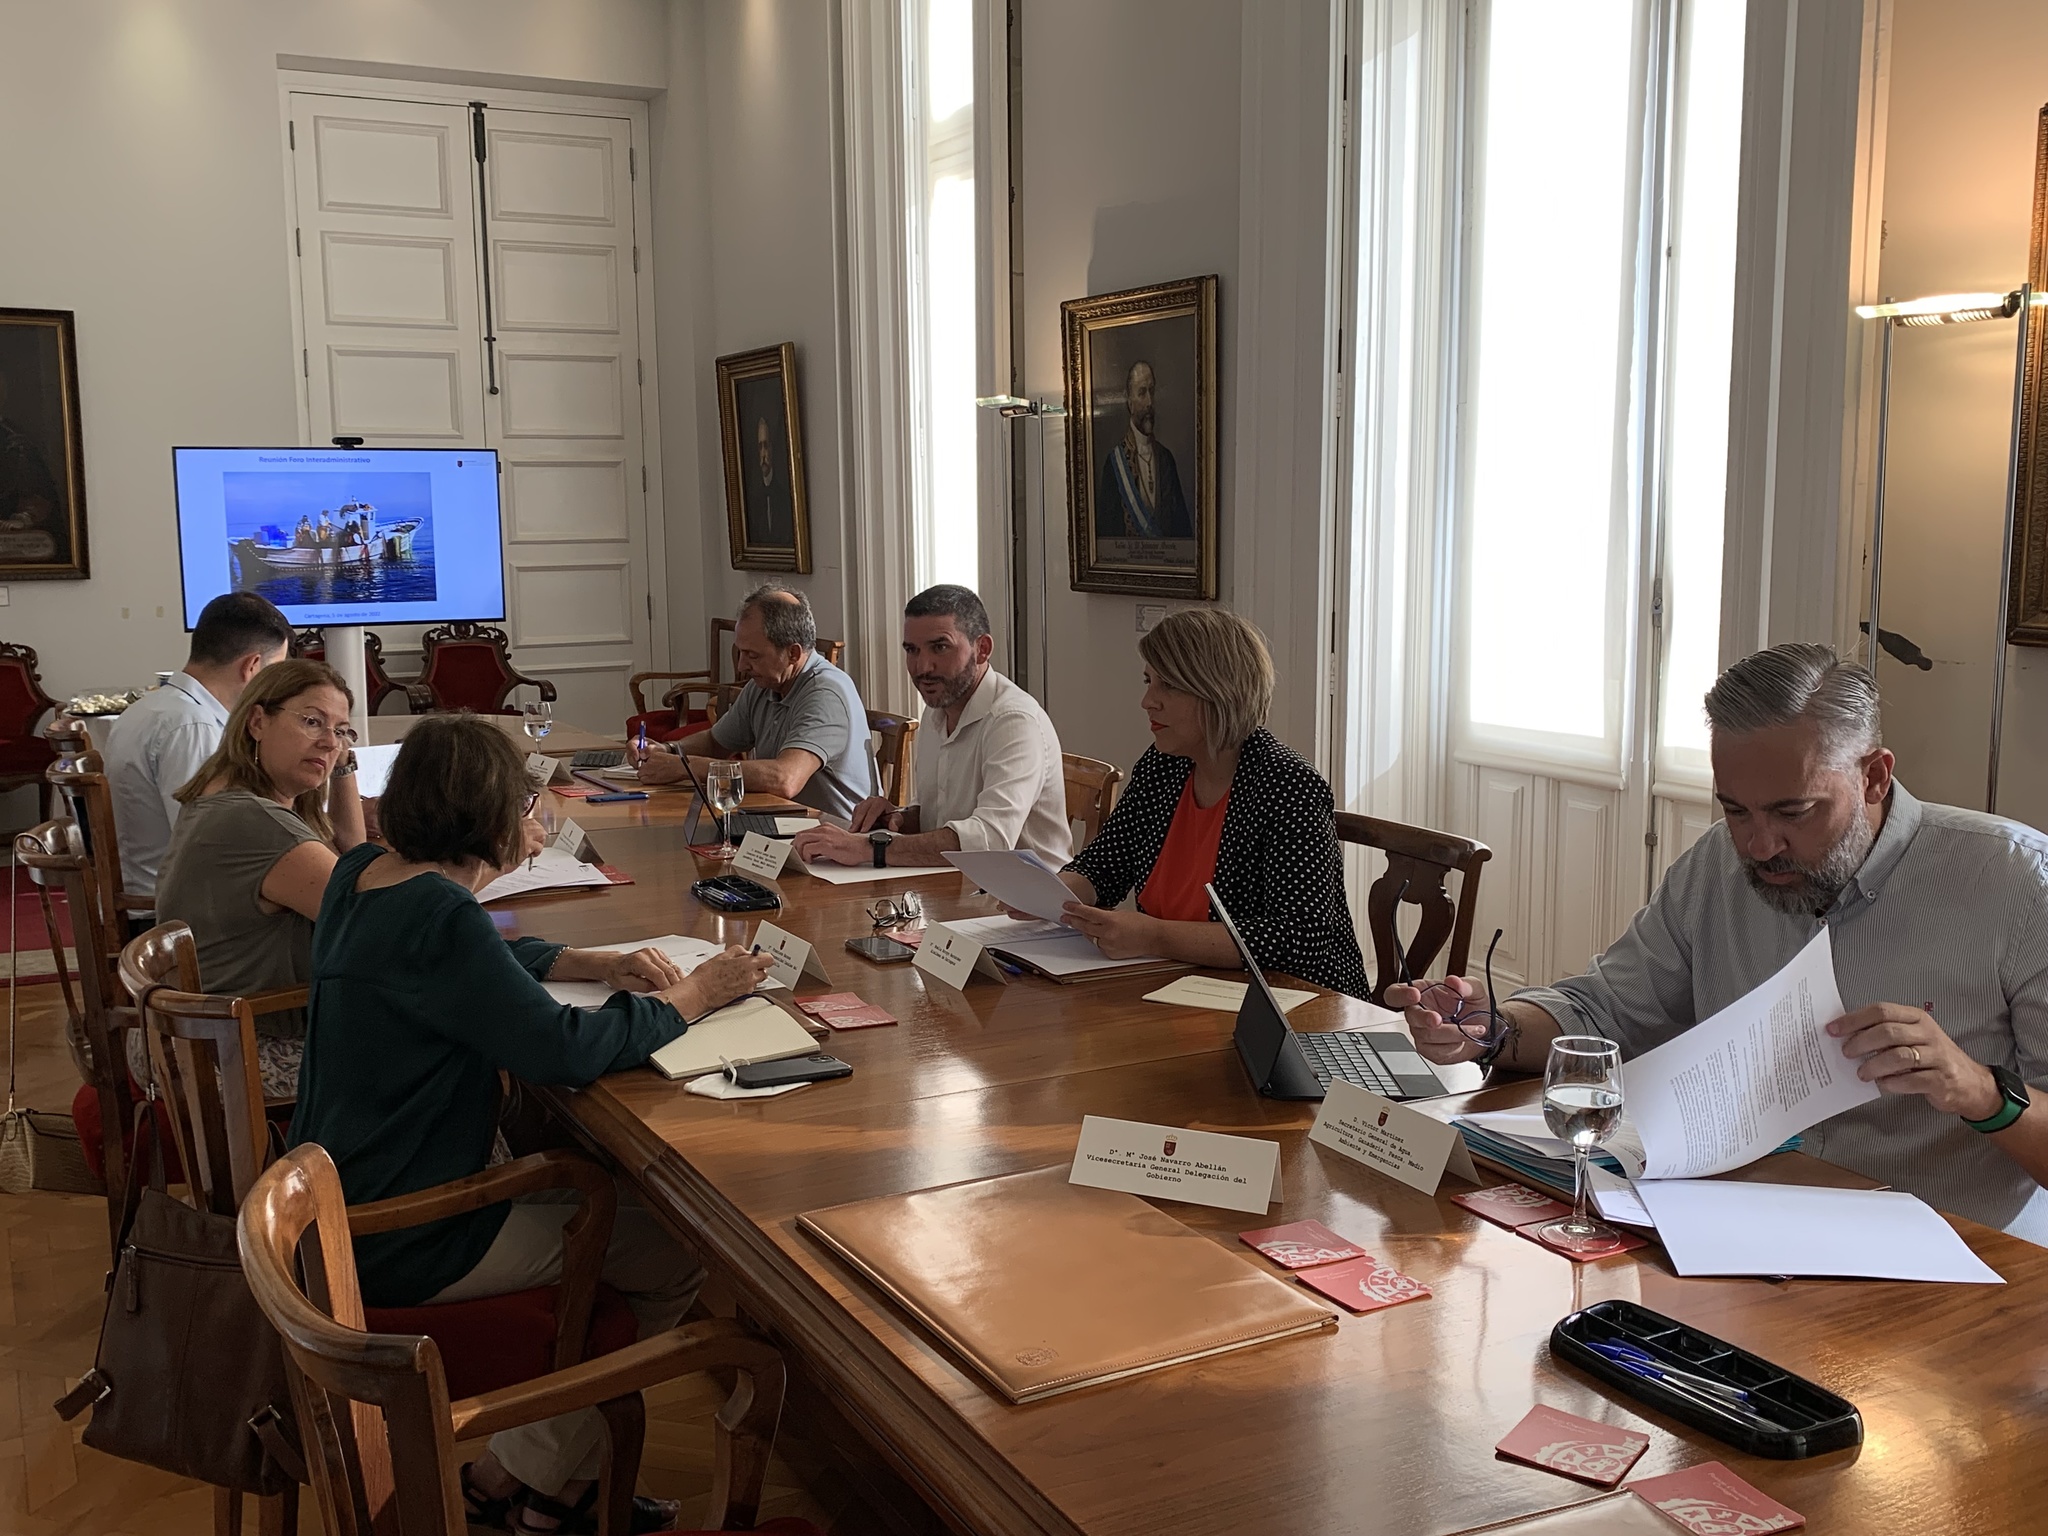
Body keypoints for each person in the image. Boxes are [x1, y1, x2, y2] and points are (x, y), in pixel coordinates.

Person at [290, 713, 773, 1535]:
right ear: (490, 813)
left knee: (613, 1207)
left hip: (345, 1209)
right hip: (408, 1234)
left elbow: (475, 963)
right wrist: (695, 995)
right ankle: (541, 1487)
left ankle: (518, 1480)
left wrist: (586, 962)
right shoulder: (440, 915)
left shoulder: (366, 873)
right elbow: (563, 1049)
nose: (536, 822)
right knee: (671, 1248)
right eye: (526, 806)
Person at [1391, 643, 2048, 1243]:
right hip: (1730, 1237)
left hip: (1946, 1266)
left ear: (1874, 777)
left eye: (1794, 812)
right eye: (1735, 810)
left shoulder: (2017, 884)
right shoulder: (1718, 867)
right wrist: (1491, 1027)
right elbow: (1604, 1013)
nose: (1760, 847)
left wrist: (1980, 1091)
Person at [1039, 608, 1369, 997]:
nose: (1148, 701)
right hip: (1183, 988)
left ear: (1218, 691)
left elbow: (1297, 938)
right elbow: (1106, 865)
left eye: (1169, 687)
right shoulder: (1165, 764)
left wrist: (1156, 937)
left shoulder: (1288, 785)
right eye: (1148, 681)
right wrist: (1045, 895)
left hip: (1292, 1005)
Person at [153, 659, 366, 1100]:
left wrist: (342, 762)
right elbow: (378, 922)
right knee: (444, 1056)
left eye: (342, 731)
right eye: (313, 722)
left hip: (200, 1031)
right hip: (238, 1048)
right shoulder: (255, 821)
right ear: (257, 721)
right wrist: (492, 857)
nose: (330, 743)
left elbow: (351, 853)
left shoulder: (228, 791)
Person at [792, 585, 1071, 871]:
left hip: (1028, 904)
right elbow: (935, 816)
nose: (922, 667)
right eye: (912, 650)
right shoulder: (936, 711)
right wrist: (897, 818)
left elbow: (990, 840)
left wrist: (869, 847)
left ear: (982, 649)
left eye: (940, 647)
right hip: (957, 890)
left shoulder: (1013, 721)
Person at [104, 592, 294, 900]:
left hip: (161, 892)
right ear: (252, 667)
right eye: (276, 671)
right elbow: (207, 841)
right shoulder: (191, 725)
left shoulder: (155, 707)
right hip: (168, 912)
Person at [636, 585, 876, 821]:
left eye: (753, 655)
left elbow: (785, 779)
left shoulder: (826, 692)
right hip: (784, 824)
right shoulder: (765, 684)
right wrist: (665, 751)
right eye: (740, 652)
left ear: (793, 653)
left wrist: (685, 766)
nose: (741, 666)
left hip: (838, 837)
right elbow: (715, 742)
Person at [1094, 360, 1192, 542]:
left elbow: (1183, 535)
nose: (1149, 402)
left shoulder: (1166, 459)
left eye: (1152, 392)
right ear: (1129, 401)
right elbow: (1107, 541)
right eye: (1142, 393)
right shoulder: (1114, 464)